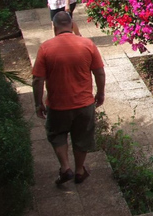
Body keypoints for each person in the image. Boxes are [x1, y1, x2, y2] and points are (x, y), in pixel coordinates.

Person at [32, 11, 105, 186]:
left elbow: (37, 79)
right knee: (82, 137)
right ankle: (80, 170)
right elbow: (99, 72)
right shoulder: (88, 44)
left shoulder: (45, 48)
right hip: (84, 104)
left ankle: (65, 168)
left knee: (57, 135)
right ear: (72, 25)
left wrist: (38, 103)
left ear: (54, 27)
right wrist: (100, 93)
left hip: (57, 106)